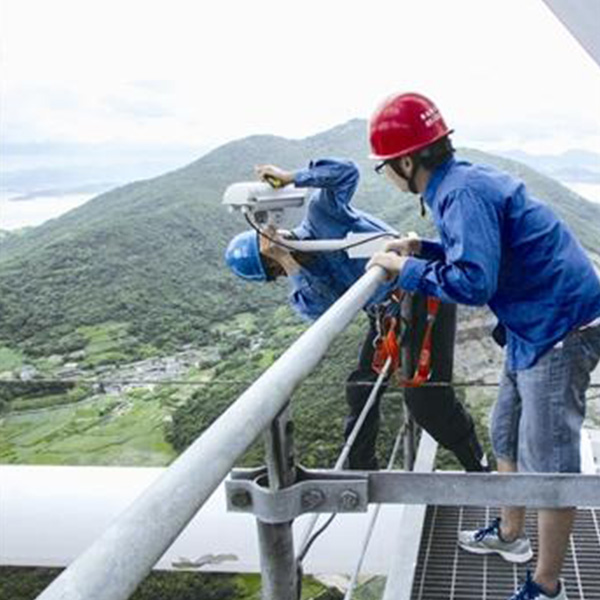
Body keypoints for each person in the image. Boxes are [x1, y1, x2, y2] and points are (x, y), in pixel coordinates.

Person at [366, 92, 600, 600]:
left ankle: (547, 585)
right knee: (505, 432)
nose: (385, 174)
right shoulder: (460, 182)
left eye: (385, 166)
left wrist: (401, 268)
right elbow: (476, 252)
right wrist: (421, 249)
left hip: (559, 328)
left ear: (406, 161)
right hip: (534, 324)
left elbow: (473, 282)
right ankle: (512, 535)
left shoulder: (460, 193)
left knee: (551, 463)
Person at [225, 157, 488, 472]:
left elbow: (345, 173)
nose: (280, 271)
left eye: (273, 266)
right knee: (361, 386)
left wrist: (291, 177)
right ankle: (362, 469)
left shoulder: (322, 217)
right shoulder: (304, 278)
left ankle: (478, 467)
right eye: (274, 272)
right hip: (386, 310)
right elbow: (323, 311)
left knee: (426, 401)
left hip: (420, 290)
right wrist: (288, 261)